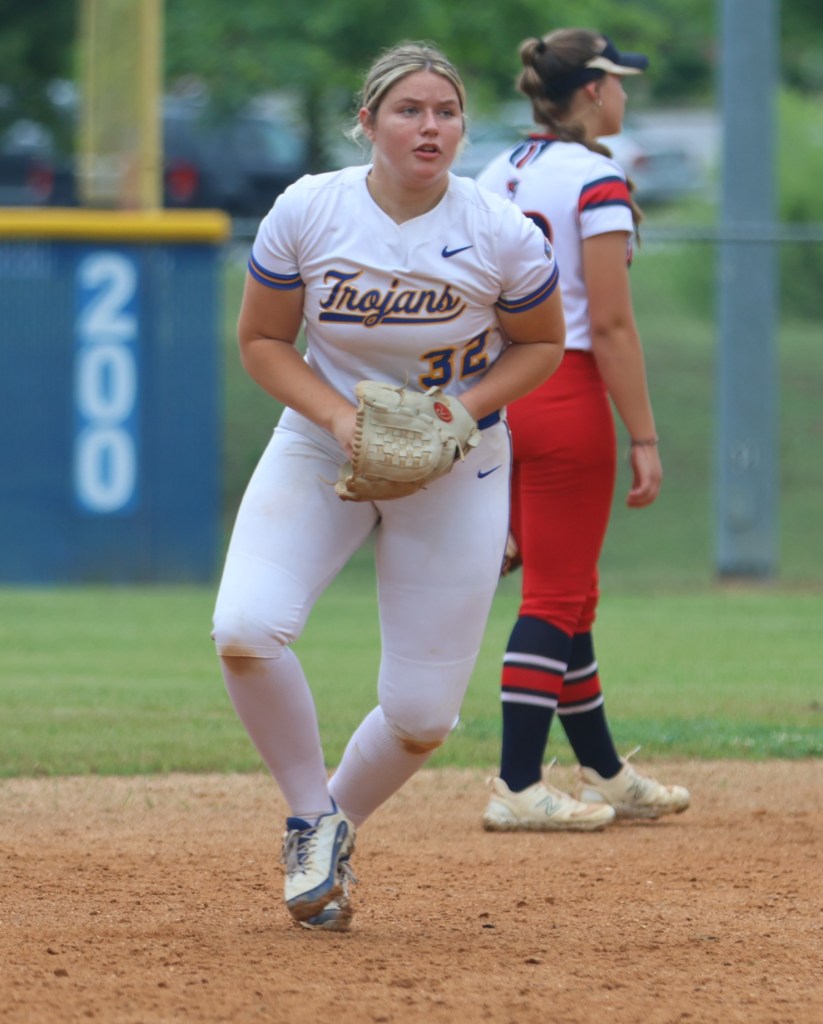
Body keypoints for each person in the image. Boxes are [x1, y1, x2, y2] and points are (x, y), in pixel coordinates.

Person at [211, 41, 566, 930]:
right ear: (367, 122)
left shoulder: (499, 230)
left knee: (421, 718)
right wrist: (340, 421)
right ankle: (310, 821)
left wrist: (458, 414)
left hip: (457, 460)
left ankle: (336, 823)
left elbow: (540, 344)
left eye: (445, 111)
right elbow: (262, 341)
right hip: (322, 440)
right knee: (245, 629)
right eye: (409, 110)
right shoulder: (309, 209)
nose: (430, 126)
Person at [476, 28, 690, 831]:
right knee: (555, 593)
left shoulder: (496, 169)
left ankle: (603, 771)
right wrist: (643, 436)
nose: (625, 94)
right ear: (592, 90)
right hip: (562, 391)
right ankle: (516, 783)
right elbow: (607, 324)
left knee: (572, 593)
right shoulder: (596, 179)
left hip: (498, 389)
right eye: (618, 81)